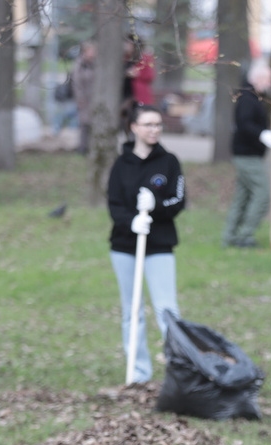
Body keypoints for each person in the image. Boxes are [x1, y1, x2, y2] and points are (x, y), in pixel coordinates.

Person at [106, 105, 186, 383]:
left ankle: (179, 370)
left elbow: (178, 200)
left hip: (159, 246)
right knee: (132, 311)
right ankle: (138, 373)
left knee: (167, 309)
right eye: (148, 124)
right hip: (125, 246)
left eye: (158, 125)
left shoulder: (169, 162)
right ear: (134, 128)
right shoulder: (121, 164)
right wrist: (131, 222)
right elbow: (114, 205)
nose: (154, 130)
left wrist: (156, 206)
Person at [222, 61, 271, 248]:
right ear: (258, 79)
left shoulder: (255, 98)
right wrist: (263, 134)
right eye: (269, 79)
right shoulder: (247, 98)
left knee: (243, 195)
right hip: (246, 155)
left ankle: (230, 236)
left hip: (249, 154)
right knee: (262, 194)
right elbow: (244, 124)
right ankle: (245, 236)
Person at [121, 36, 155, 129]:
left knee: (139, 121)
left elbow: (150, 76)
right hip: (125, 95)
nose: (126, 46)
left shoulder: (144, 58)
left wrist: (137, 74)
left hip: (138, 96)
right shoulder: (124, 58)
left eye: (129, 44)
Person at [73, 41, 96, 155]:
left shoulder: (96, 64)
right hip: (85, 100)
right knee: (84, 124)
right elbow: (76, 83)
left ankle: (92, 147)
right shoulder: (80, 64)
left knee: (94, 124)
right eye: (91, 50)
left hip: (95, 99)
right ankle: (82, 148)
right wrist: (80, 98)